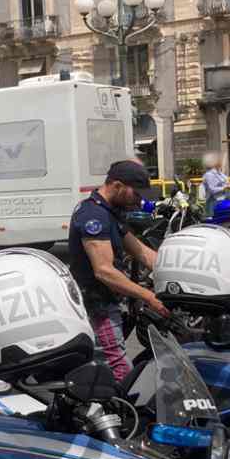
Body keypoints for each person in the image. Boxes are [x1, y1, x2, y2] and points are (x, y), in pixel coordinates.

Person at [68, 160, 169, 382]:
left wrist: (175, 272)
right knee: (118, 369)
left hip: (110, 302)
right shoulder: (93, 216)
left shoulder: (109, 212)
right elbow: (104, 271)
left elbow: (141, 252)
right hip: (98, 306)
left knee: (108, 363)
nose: (140, 200)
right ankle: (120, 414)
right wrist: (149, 297)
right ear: (117, 185)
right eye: (136, 193)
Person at [201, 152, 229, 219]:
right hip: (214, 202)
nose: (221, 161)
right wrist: (225, 187)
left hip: (223, 201)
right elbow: (212, 190)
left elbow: (226, 182)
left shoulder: (220, 173)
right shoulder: (209, 175)